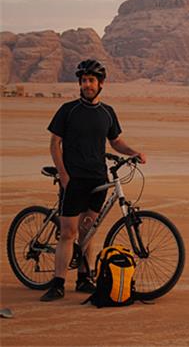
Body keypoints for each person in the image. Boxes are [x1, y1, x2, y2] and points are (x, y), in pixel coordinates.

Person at [40, 59, 147, 302]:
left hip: (98, 179)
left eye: (92, 81)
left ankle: (83, 279)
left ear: (100, 84)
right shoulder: (68, 110)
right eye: (84, 81)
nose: (87, 85)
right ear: (80, 84)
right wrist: (64, 174)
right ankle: (57, 284)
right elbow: (54, 143)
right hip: (74, 180)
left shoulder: (107, 112)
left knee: (88, 229)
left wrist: (133, 153)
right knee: (68, 232)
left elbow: (115, 141)